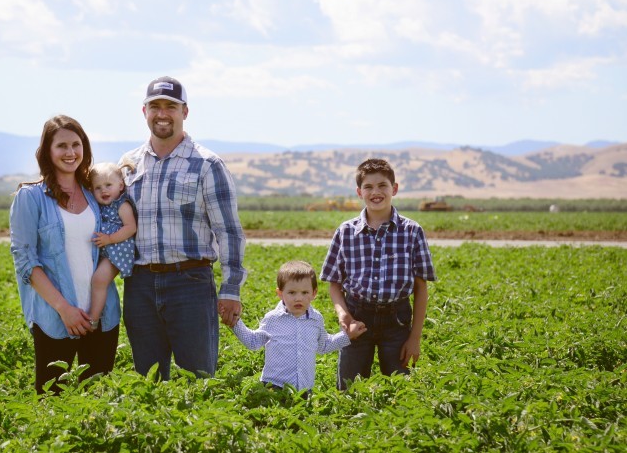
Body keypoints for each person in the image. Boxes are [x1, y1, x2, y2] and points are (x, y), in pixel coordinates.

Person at [120, 75, 247, 380]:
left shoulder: (206, 164)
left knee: (199, 377)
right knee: (147, 383)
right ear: (144, 112)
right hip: (139, 286)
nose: (162, 114)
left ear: (185, 112)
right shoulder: (129, 165)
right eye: (155, 107)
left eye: (170, 107)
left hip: (190, 282)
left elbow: (228, 231)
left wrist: (231, 289)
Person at [10, 115, 120, 394]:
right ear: (47, 151)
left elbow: (119, 243)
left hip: (101, 316)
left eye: (76, 144)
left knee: (98, 403)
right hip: (54, 317)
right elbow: (25, 261)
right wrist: (64, 309)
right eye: (61, 146)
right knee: (51, 399)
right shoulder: (31, 197)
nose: (70, 153)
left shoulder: (97, 193)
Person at [320, 158, 437, 390]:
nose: (376, 192)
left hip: (397, 321)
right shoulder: (345, 232)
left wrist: (414, 339)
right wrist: (343, 314)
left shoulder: (412, 231)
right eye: (368, 187)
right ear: (359, 192)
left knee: (400, 390)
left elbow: (421, 288)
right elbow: (334, 282)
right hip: (357, 318)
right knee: (349, 389)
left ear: (394, 188)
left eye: (382, 185)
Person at [230, 260, 367, 393]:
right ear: (280, 294)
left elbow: (324, 345)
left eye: (304, 293)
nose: (298, 298)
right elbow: (253, 342)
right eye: (292, 293)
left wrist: (347, 335)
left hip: (304, 389)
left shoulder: (316, 319)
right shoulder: (273, 319)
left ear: (314, 293)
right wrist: (235, 321)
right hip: (274, 386)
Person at [88, 161, 137, 326]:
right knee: (96, 280)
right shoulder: (99, 206)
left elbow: (131, 228)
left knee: (99, 280)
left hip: (118, 249)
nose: (104, 190)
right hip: (107, 250)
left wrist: (109, 239)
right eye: (98, 187)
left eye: (108, 185)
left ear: (121, 186)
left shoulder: (121, 205)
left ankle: (93, 318)